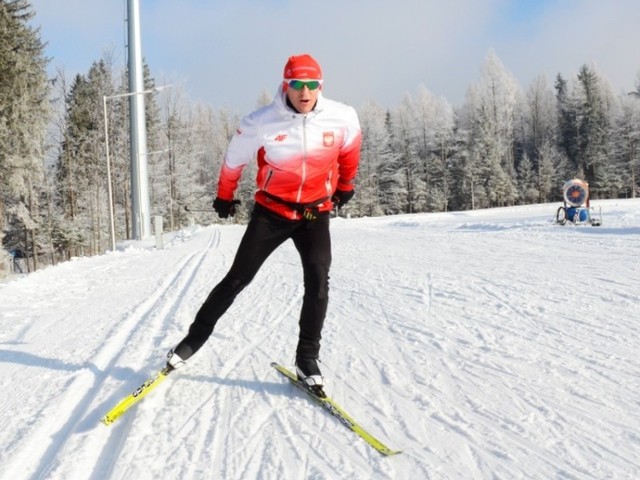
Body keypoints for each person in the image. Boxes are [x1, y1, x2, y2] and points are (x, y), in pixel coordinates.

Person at [166, 54, 362, 396]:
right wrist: (224, 195)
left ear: (321, 86)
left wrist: (345, 186)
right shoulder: (262, 121)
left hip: (315, 213)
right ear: (285, 85)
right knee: (238, 278)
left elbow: (350, 152)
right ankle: (193, 340)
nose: (305, 92)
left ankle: (307, 359)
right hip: (273, 211)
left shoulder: (342, 117)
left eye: (312, 85)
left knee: (318, 280)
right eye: (297, 84)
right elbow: (233, 160)